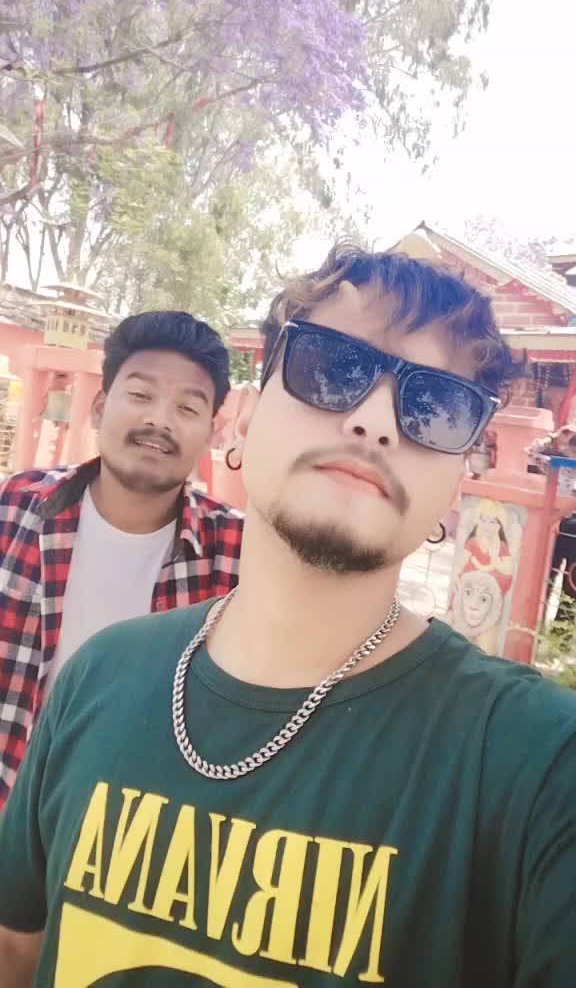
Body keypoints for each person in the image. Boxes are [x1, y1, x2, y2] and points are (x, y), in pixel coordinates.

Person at [1, 244, 575, 987]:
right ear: (242, 421)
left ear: (457, 483)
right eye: (333, 367)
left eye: (436, 406)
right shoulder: (96, 678)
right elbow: (17, 949)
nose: (375, 421)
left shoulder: (538, 768)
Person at [0, 310, 243, 808]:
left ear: (211, 433)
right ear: (99, 407)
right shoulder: (16, 508)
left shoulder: (238, 554)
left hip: (126, 834)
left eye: (187, 407)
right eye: (140, 395)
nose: (159, 421)